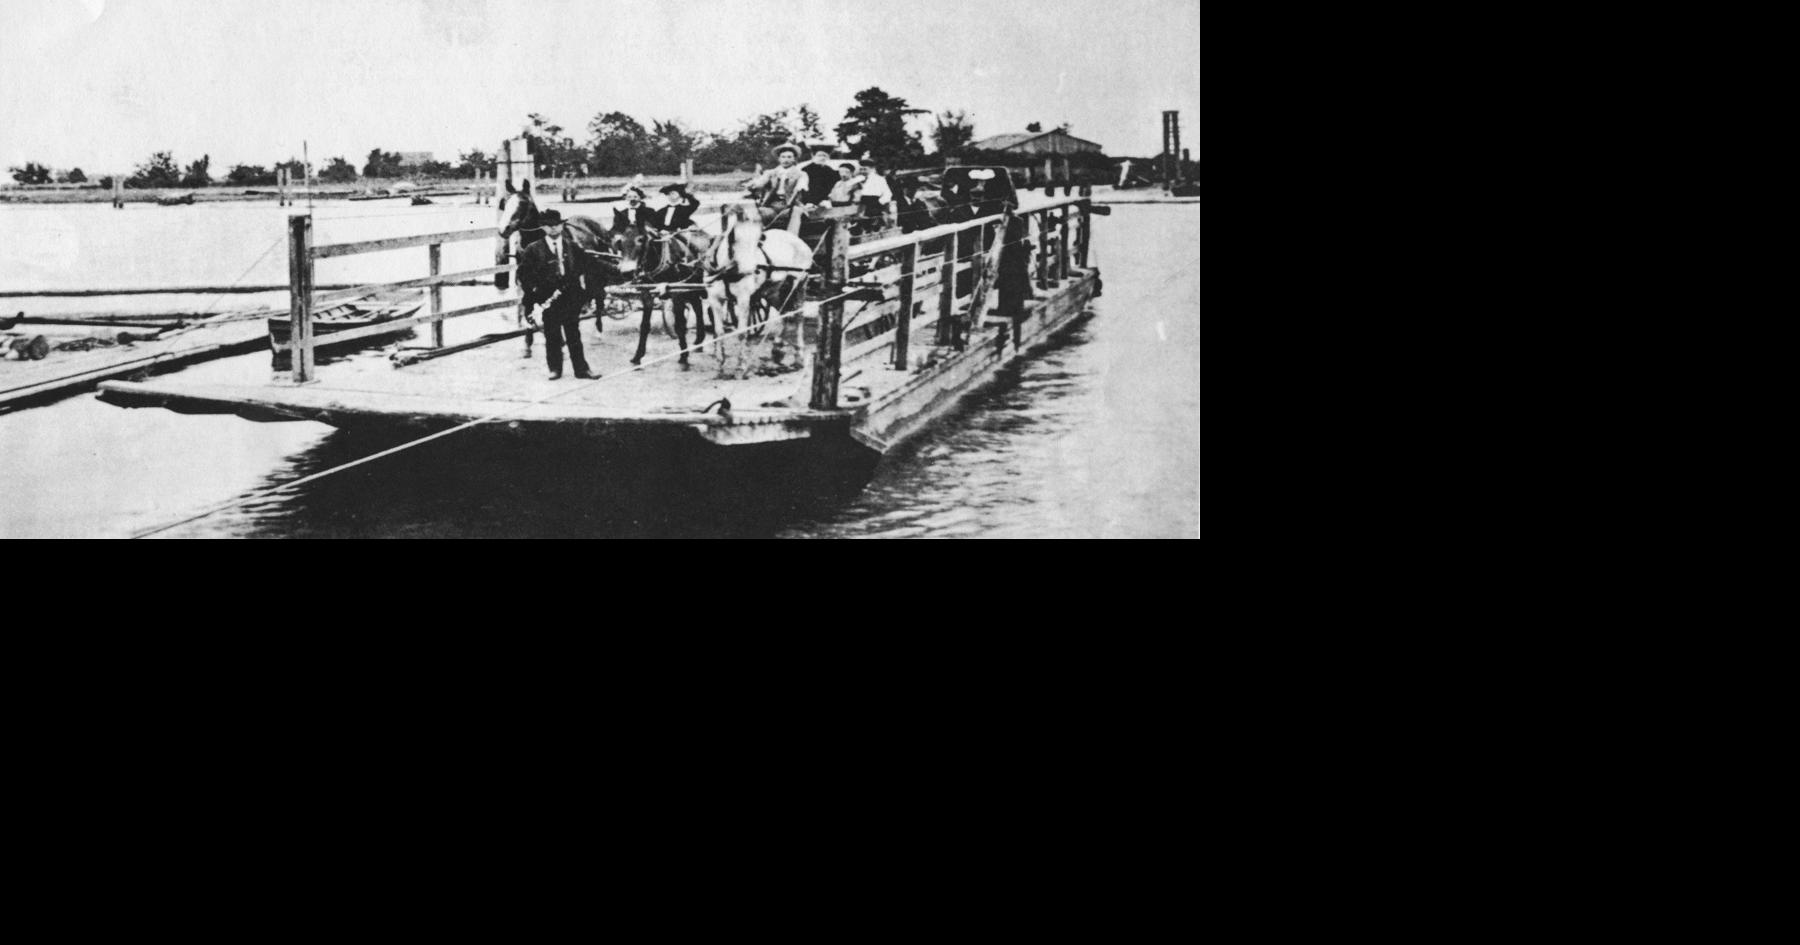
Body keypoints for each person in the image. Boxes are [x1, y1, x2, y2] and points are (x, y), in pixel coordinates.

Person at [518, 210, 596, 380]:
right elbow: (524, 275)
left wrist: (584, 293)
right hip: (547, 299)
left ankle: (581, 369)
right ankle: (555, 369)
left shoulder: (572, 246)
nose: (553, 229)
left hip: (570, 297)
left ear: (562, 226)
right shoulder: (533, 249)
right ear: (543, 228)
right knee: (552, 335)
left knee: (573, 334)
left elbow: (586, 267)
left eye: (557, 225)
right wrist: (534, 295)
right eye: (549, 226)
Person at [856, 159, 893, 227]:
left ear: (872, 169)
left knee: (874, 227)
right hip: (862, 207)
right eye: (861, 169)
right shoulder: (859, 179)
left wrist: (878, 204)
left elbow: (888, 194)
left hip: (875, 207)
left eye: (865, 169)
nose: (862, 171)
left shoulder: (879, 179)